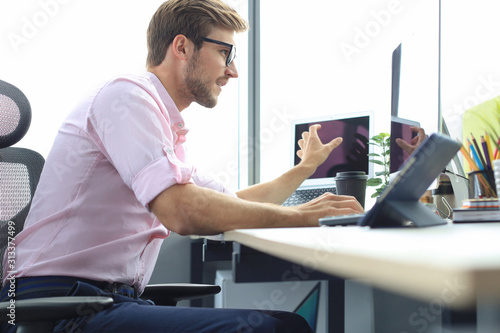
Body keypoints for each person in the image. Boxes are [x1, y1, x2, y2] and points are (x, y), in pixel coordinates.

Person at [1, 1, 364, 332]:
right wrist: (299, 216)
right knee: (278, 329)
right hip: (57, 305)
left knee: (284, 323)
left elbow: (231, 200)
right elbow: (182, 212)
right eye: (225, 53)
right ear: (182, 47)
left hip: (98, 300)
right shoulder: (125, 98)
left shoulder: (164, 129)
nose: (233, 71)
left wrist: (303, 170)